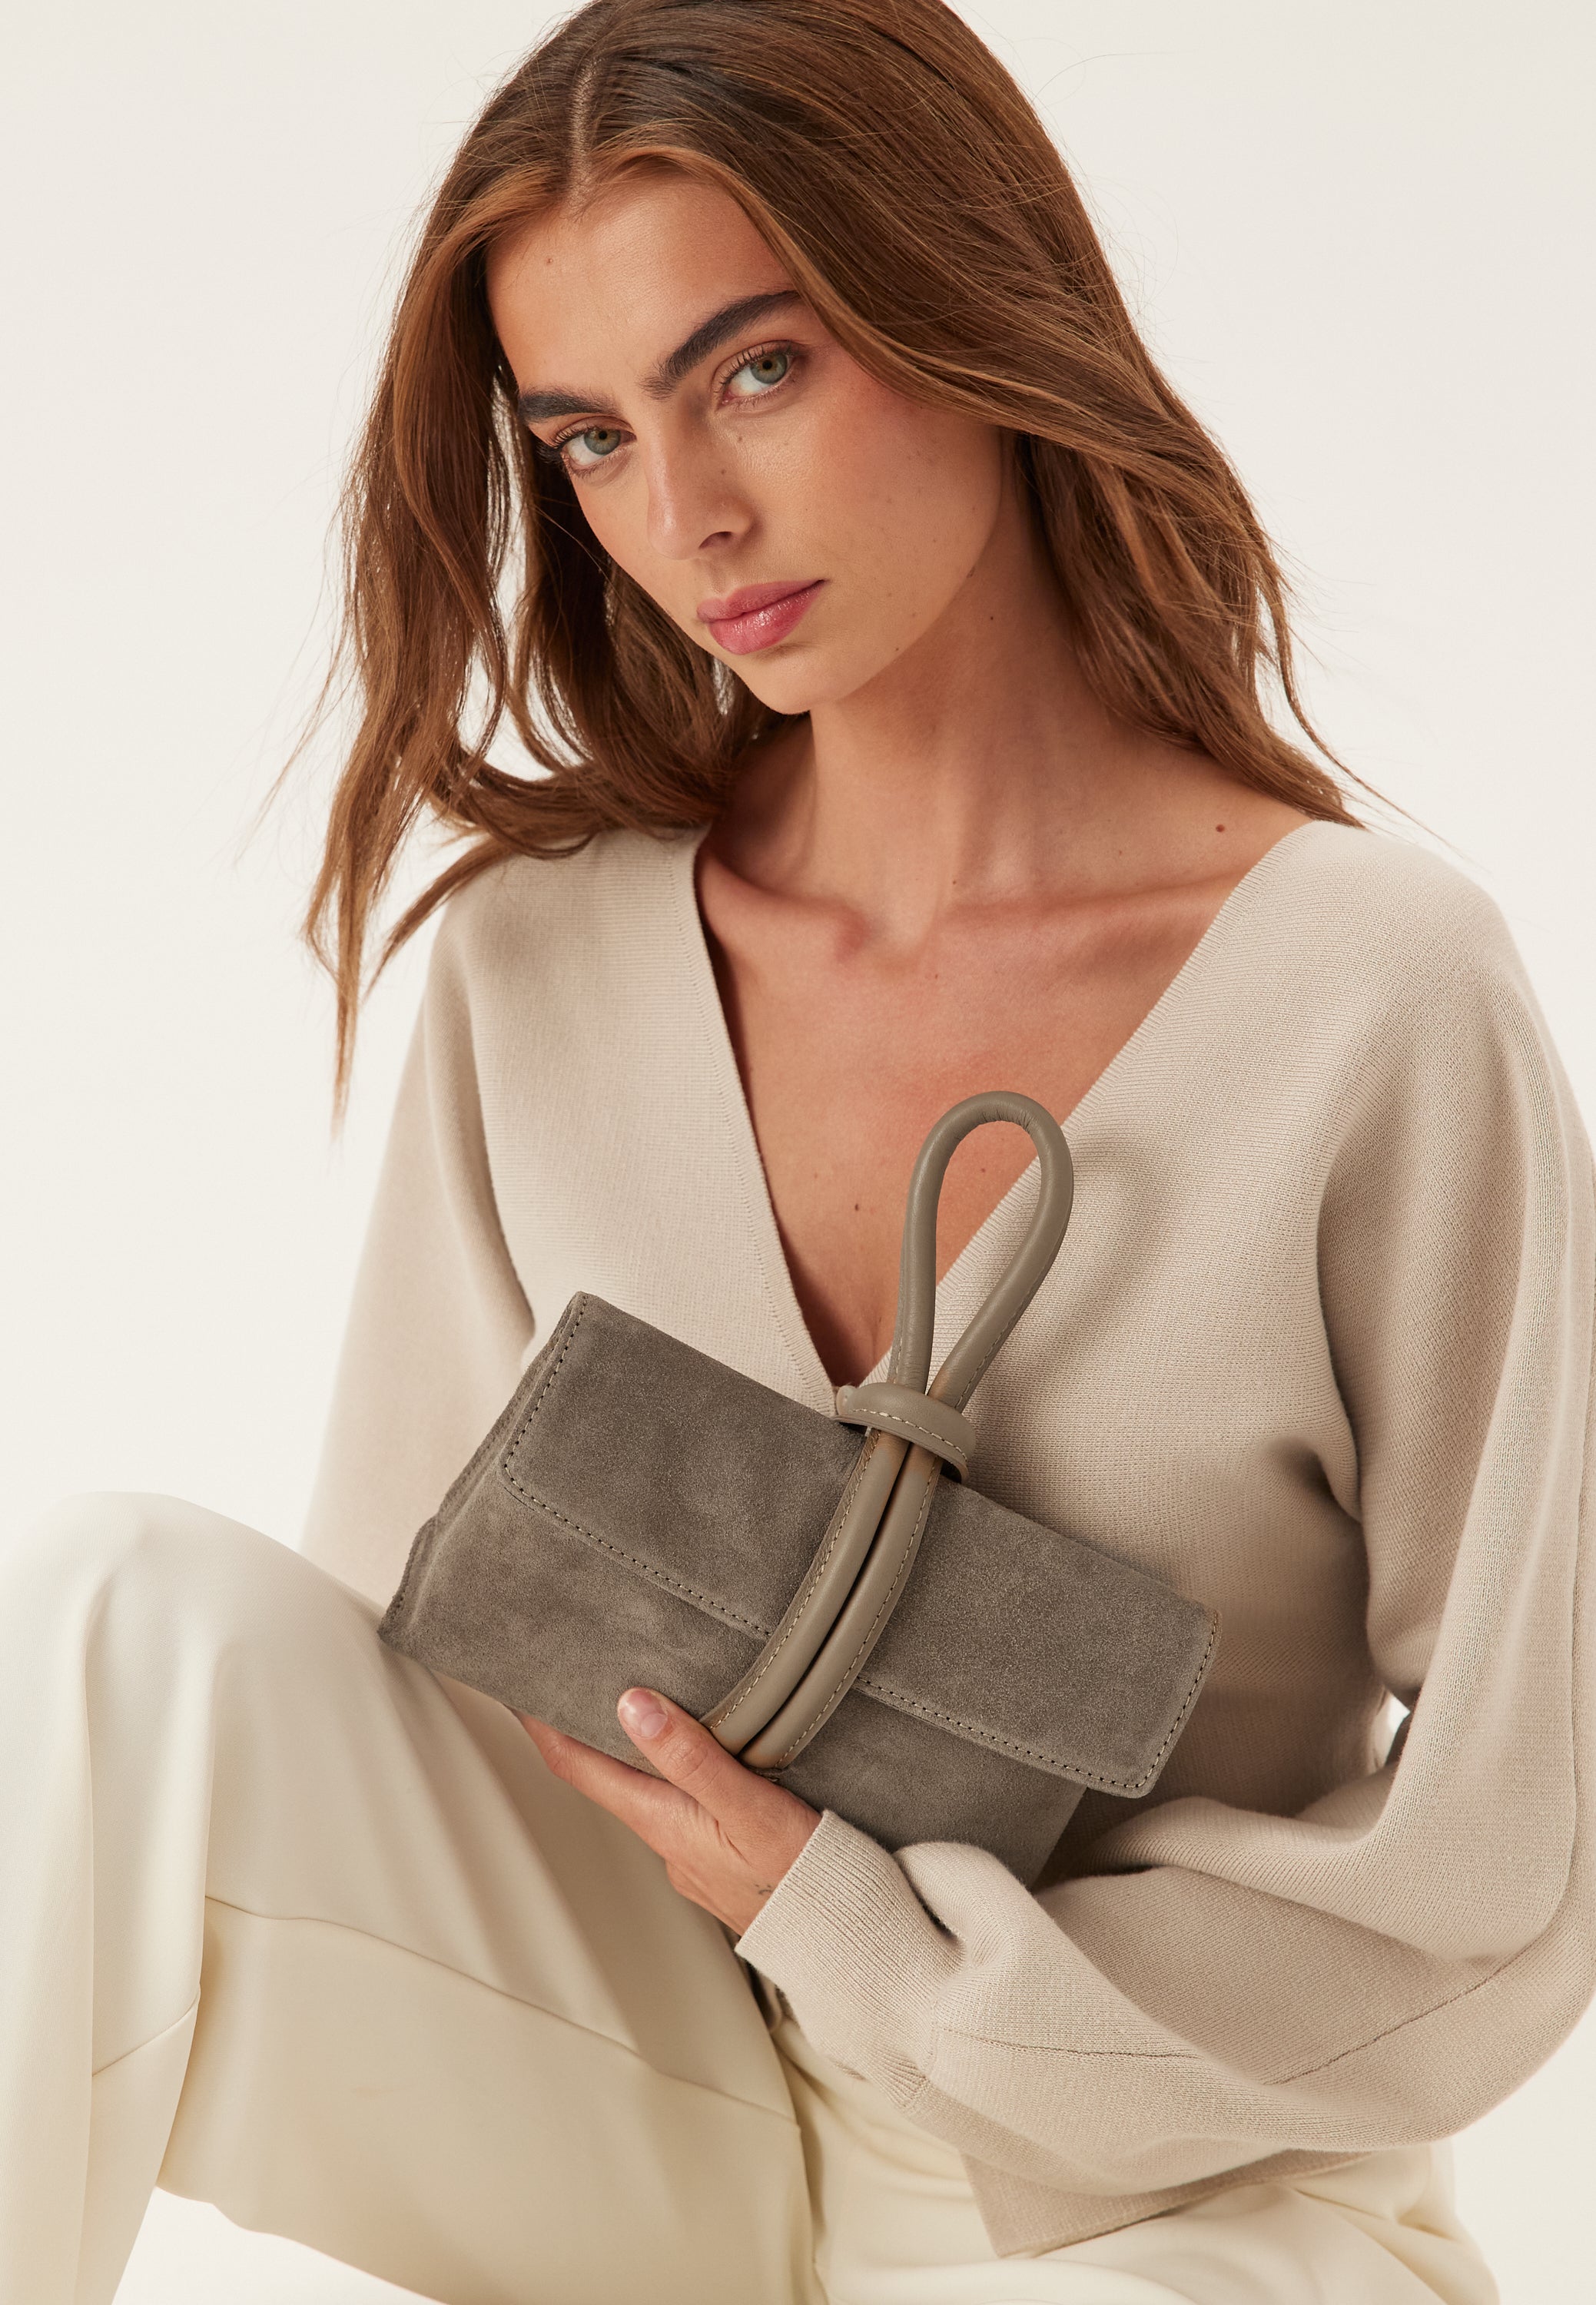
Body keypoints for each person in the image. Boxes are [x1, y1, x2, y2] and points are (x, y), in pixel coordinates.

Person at [4, 3, 1590, 2300]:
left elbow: (1516, 1856)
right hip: (664, 2110)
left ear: (972, 308)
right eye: (589, 437)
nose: (686, 517)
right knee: (93, 1618)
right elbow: (412, 1694)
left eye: (755, 371)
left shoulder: (1371, 992)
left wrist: (869, 1934)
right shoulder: (543, 968)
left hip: (1168, 2186)